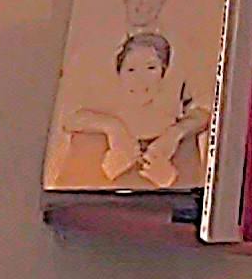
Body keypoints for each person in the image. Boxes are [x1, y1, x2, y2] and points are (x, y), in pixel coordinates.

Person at [56, 30, 206, 189]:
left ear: (163, 72)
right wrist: (104, 173)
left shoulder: (181, 137)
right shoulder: (92, 131)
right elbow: (66, 188)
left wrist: (171, 181)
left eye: (151, 68)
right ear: (119, 73)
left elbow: (199, 191)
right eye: (131, 70)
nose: (140, 79)